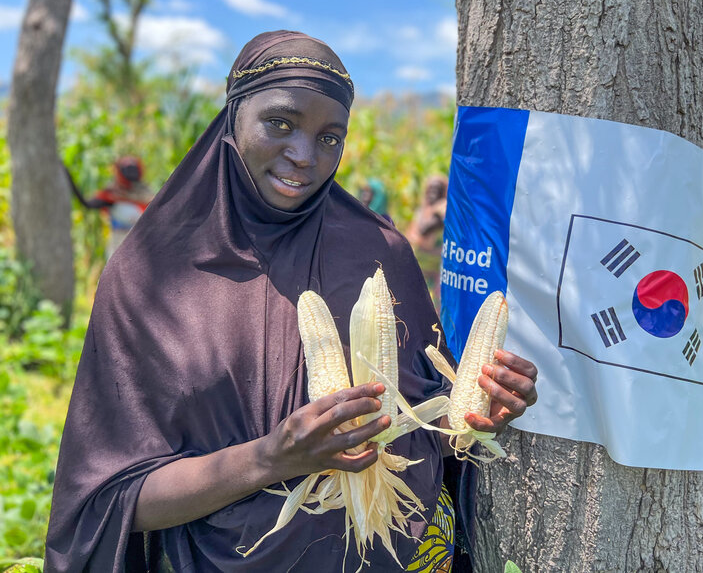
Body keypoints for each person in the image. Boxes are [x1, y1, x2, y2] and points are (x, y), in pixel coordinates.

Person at [45, 31, 538, 572]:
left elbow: (424, 434)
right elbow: (113, 499)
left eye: (330, 137)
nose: (304, 156)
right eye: (280, 123)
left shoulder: (380, 251)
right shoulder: (148, 279)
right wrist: (270, 459)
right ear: (232, 117)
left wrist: (477, 413)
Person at [65, 156, 155, 258]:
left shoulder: (148, 196)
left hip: (143, 248)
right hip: (118, 246)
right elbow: (87, 204)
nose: (131, 172)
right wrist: (69, 177)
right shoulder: (112, 195)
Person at [405, 175, 448, 306]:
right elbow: (409, 235)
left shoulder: (444, 208)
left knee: (434, 308)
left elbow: (424, 232)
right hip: (420, 269)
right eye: (430, 189)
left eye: (437, 190)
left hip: (437, 274)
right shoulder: (422, 210)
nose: (433, 194)